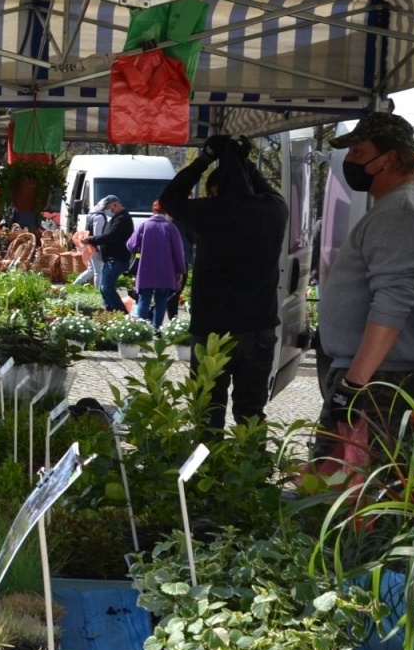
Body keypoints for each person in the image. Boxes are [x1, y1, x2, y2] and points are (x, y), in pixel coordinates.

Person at [312, 112, 414, 465]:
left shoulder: (402, 209)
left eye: (358, 151)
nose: (350, 160)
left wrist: (354, 386)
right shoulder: (403, 203)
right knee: (352, 483)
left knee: (338, 481)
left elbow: (392, 302)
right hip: (379, 373)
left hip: (379, 377)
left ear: (387, 158)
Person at [159, 135, 289, 430]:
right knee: (252, 411)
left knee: (207, 411)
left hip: (213, 326)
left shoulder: (211, 213)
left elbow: (169, 198)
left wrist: (205, 158)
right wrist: (242, 162)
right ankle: (250, 471)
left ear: (216, 190)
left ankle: (207, 470)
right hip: (259, 326)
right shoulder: (274, 211)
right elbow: (267, 190)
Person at [124, 199, 187, 329]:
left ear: (153, 210)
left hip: (145, 269)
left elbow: (130, 245)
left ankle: (141, 329)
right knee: (161, 300)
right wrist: (180, 270)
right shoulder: (171, 227)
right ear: (167, 212)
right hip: (166, 270)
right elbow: (179, 252)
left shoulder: (143, 225)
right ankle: (156, 328)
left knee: (143, 299)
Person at [80, 195, 133, 312]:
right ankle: (110, 311)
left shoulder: (122, 219)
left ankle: (121, 312)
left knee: (106, 287)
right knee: (104, 288)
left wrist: (91, 239)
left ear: (116, 204)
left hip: (117, 258)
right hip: (111, 258)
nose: (108, 211)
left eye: (109, 208)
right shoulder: (117, 218)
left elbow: (110, 236)